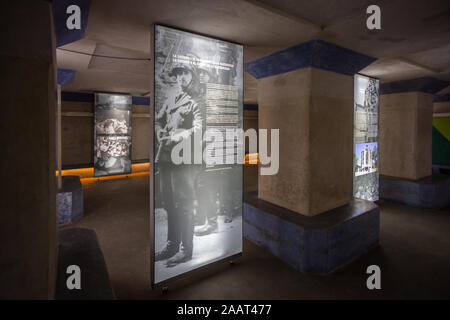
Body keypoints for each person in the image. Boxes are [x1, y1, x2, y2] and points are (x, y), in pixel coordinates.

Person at [154, 61, 202, 267]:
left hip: (184, 159)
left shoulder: (195, 101)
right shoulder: (171, 98)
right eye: (178, 74)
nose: (181, 77)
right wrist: (160, 133)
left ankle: (186, 250)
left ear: (192, 76)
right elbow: (158, 120)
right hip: (165, 158)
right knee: (169, 203)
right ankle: (172, 245)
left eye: (185, 73)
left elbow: (199, 129)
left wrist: (180, 136)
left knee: (184, 205)